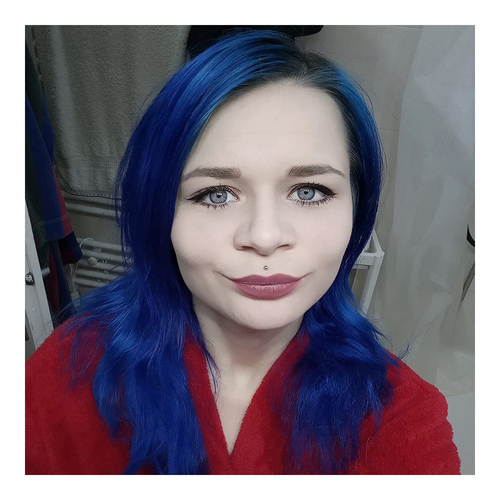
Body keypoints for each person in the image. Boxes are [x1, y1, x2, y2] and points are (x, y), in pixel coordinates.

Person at [25, 29, 461, 475]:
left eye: (309, 191)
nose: (265, 237)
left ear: (357, 205)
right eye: (216, 195)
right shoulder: (66, 372)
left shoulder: (403, 419)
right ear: (159, 211)